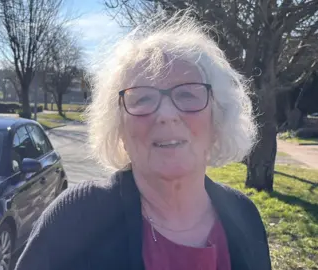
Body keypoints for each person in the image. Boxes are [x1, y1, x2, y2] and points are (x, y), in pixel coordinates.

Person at [15, 11, 271, 270]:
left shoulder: (245, 216)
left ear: (217, 118)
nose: (166, 115)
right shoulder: (75, 218)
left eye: (188, 95)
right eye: (142, 99)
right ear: (119, 128)